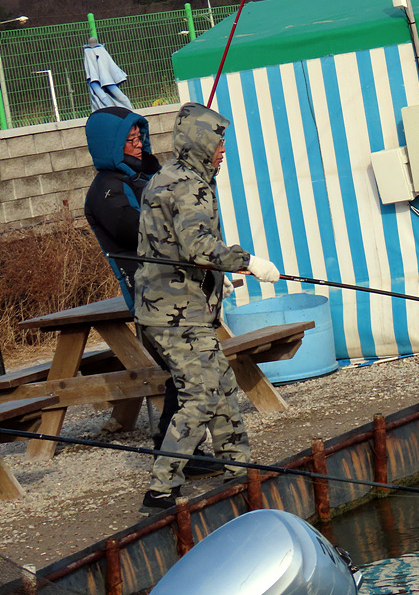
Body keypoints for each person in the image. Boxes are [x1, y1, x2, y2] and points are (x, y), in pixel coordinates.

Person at [135, 102, 281, 513]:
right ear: (200, 142)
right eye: (218, 143)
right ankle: (160, 490)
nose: (223, 150)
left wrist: (216, 281)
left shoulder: (166, 176)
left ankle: (238, 469)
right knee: (199, 395)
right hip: (176, 315)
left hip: (171, 308)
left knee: (222, 386)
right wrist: (248, 262)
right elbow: (199, 246)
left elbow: (172, 246)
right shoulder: (190, 186)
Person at [83, 106, 222, 479]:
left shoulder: (147, 176)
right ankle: (177, 456)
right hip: (154, 298)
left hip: (181, 292)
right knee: (187, 373)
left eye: (139, 137)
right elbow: (138, 229)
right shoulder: (108, 190)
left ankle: (179, 450)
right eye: (128, 140)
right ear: (108, 144)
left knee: (187, 373)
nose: (137, 144)